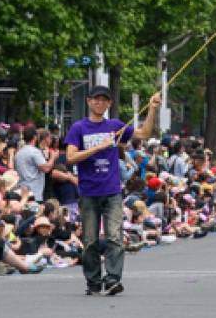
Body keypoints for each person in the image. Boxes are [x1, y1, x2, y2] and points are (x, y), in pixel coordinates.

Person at [64, 84, 160, 296]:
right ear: (89, 101)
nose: (99, 102)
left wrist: (152, 108)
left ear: (109, 103)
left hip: (112, 190)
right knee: (89, 240)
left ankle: (113, 279)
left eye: (104, 99)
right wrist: (98, 147)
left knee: (114, 237)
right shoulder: (78, 128)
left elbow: (144, 133)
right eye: (96, 99)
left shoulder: (115, 125)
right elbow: (70, 157)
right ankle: (93, 280)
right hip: (88, 191)